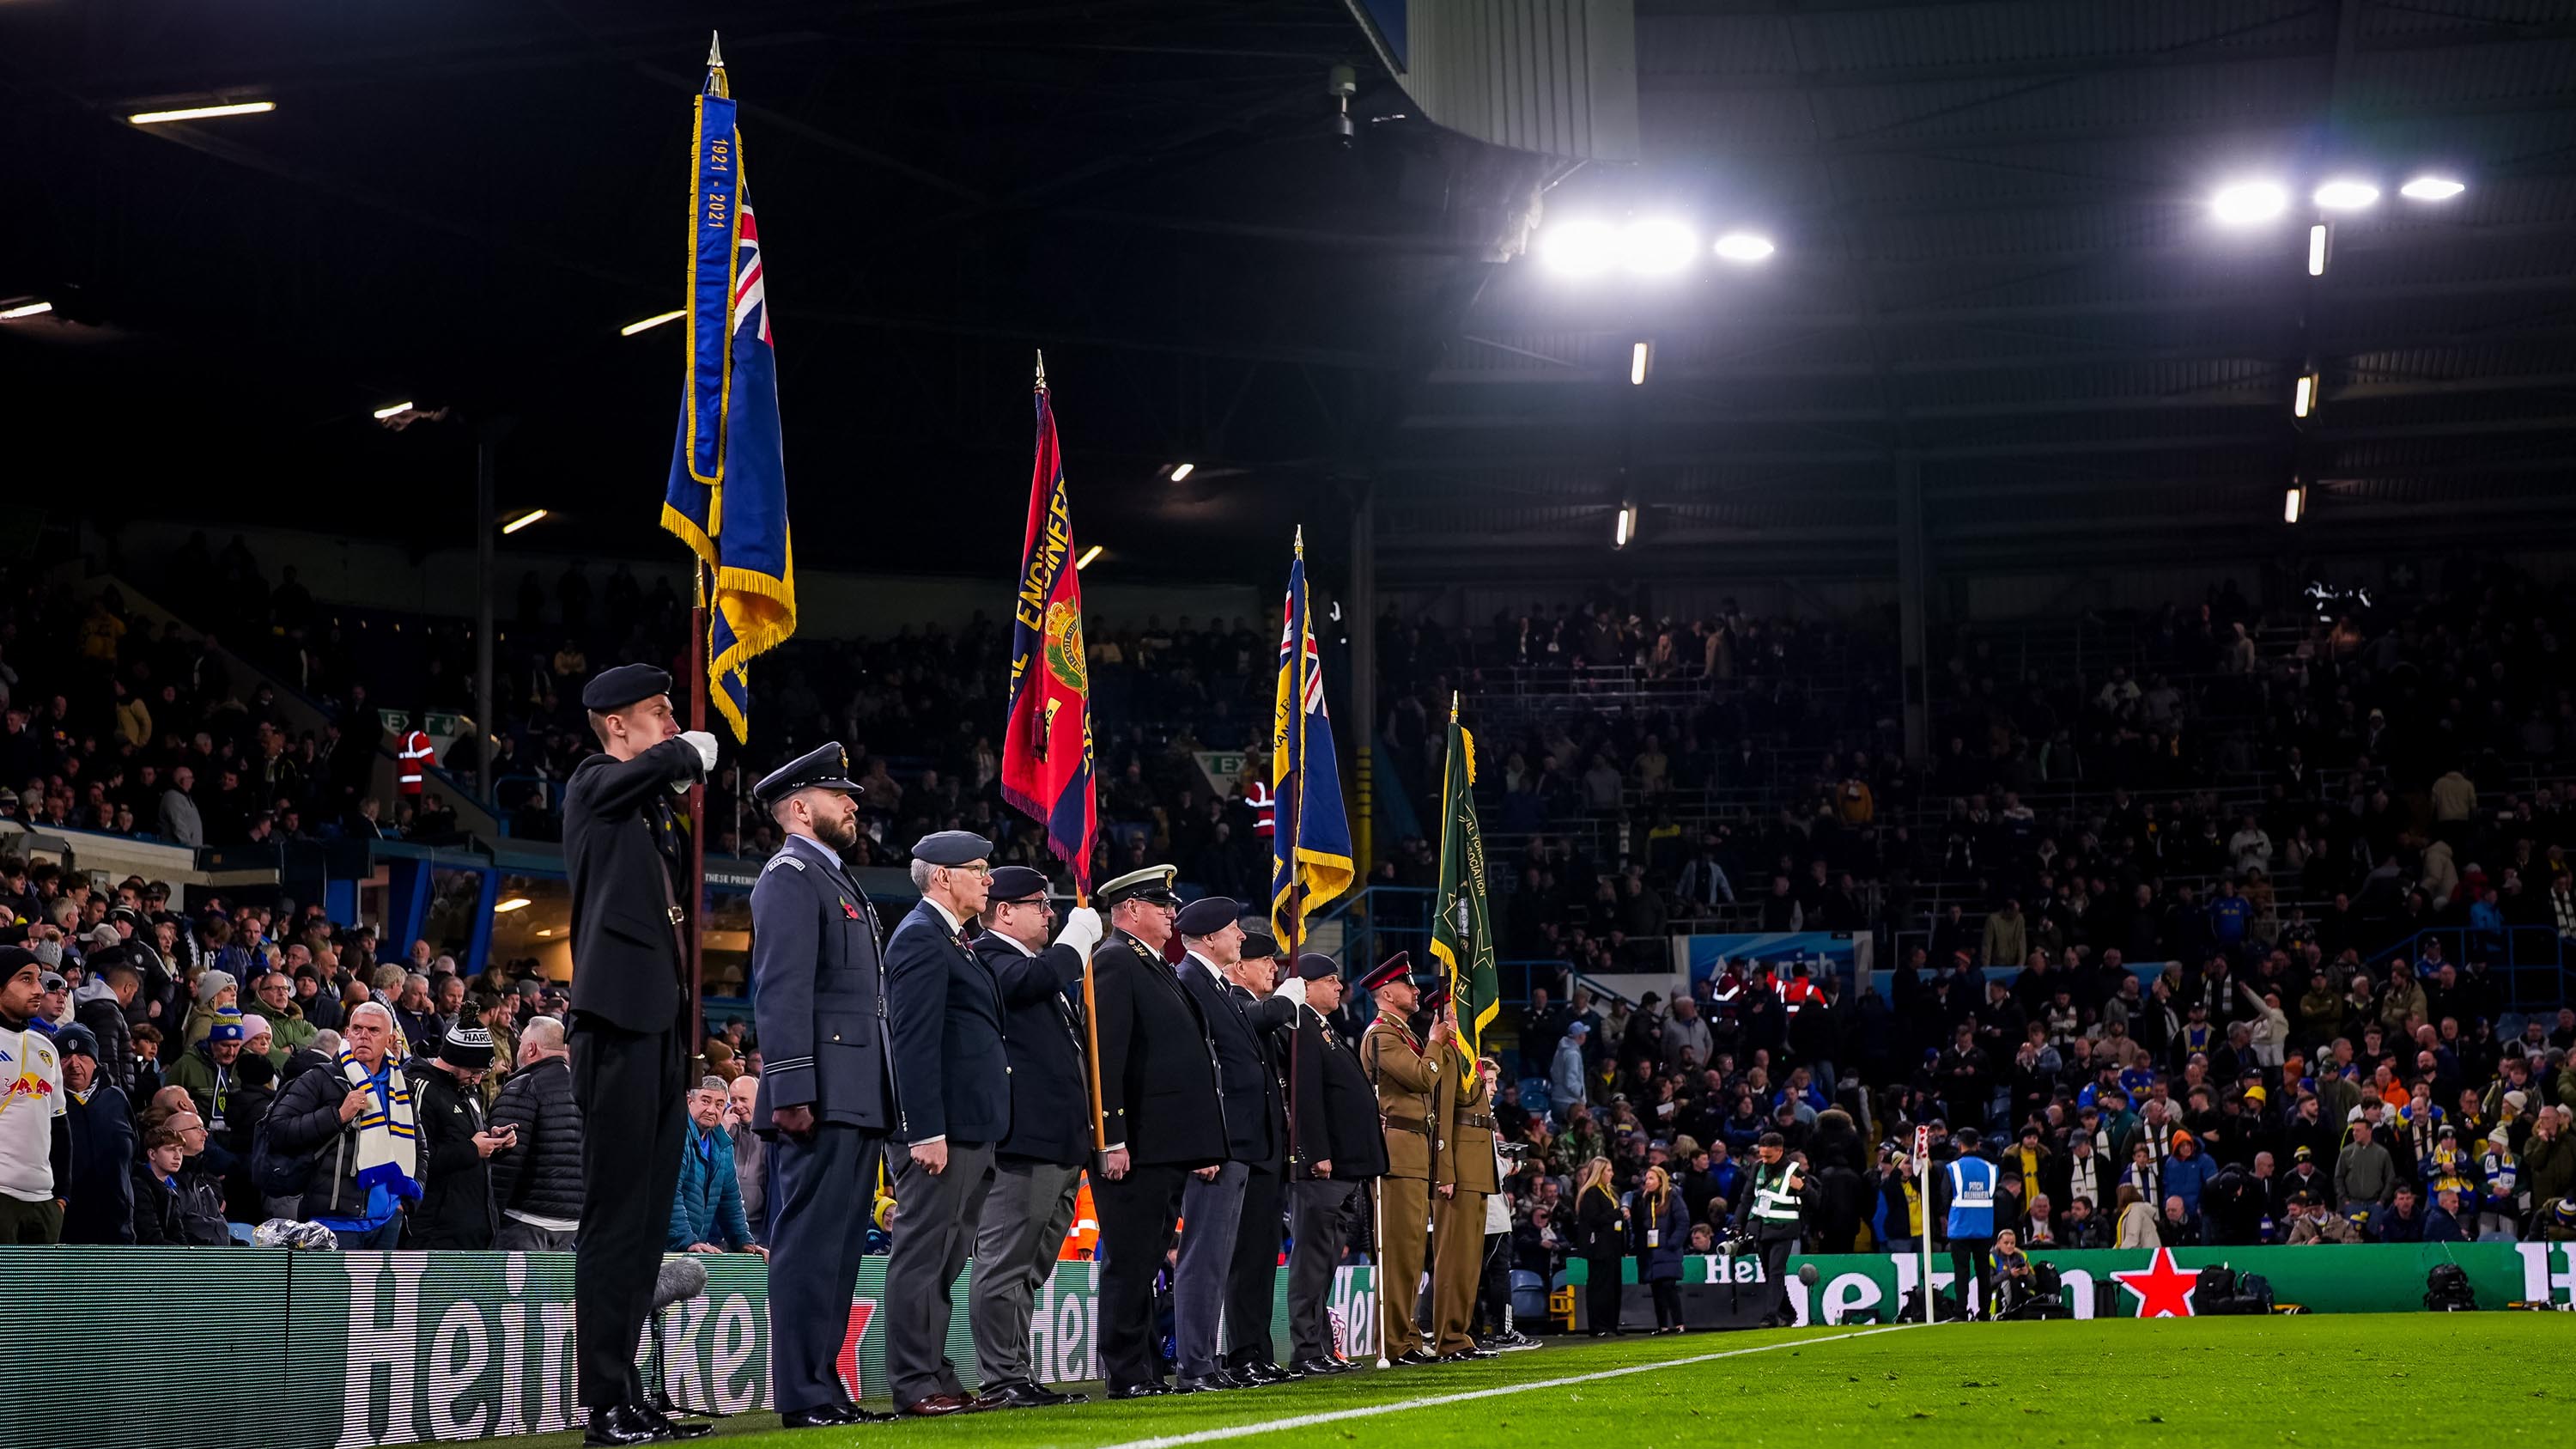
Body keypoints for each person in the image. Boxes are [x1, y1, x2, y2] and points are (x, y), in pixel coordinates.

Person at [560, 662, 717, 1449]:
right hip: (614, 1024)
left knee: (648, 1223)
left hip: (660, 1027)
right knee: (616, 1219)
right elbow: (648, 770)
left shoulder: (651, 809)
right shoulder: (593, 783)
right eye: (659, 713)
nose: (670, 723)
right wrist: (683, 752)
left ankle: (629, 1392)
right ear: (617, 724)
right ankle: (603, 1404)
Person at [746, 743, 896, 1431]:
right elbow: (782, 990)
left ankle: (823, 1382)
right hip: (820, 1097)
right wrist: (792, 1089)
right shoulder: (790, 874)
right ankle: (803, 1392)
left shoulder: (831, 876)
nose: (854, 805)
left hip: (852, 1094)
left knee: (837, 1251)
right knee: (809, 1248)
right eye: (841, 796)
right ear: (801, 808)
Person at [1087, 864, 1226, 1400]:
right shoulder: (1116, 960)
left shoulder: (1152, 965)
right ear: (1129, 911)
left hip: (1162, 1146)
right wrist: (1112, 1138)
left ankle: (1145, 1367)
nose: (1173, 913)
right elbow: (1108, 1056)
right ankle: (1126, 1373)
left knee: (1146, 1263)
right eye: (1161, 904)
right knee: (1130, 1261)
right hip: (1136, 1147)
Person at [966, 865, 1103, 1410]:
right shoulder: (991, 958)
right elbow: (1033, 982)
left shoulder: (1026, 964)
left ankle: (1015, 1372)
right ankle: (1001, 1378)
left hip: (1059, 1144)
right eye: (1040, 905)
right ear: (1004, 912)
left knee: (1029, 1268)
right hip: (1023, 1143)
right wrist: (1075, 941)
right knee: (1004, 1264)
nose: (1050, 914)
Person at [882, 829, 1007, 1418]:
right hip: (942, 1133)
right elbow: (912, 1041)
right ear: (943, 876)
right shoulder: (921, 938)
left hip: (969, 1129)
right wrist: (922, 1128)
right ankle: (913, 1379)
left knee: (946, 1260)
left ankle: (936, 1370)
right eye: (979, 868)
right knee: (923, 1256)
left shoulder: (954, 940)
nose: (988, 878)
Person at [1169, 896, 1295, 1393]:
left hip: (1239, 1144)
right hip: (1221, 1144)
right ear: (1208, 938)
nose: (1241, 937)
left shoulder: (1213, 984)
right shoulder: (1192, 982)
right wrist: (1206, 1141)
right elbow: (1200, 1070)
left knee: (1220, 1260)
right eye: (1233, 929)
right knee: (1205, 1259)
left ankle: (1206, 1361)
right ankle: (1195, 1364)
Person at [1285, 953, 1383, 1376]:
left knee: (1325, 1261)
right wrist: (1317, 1151)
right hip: (1323, 1169)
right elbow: (1305, 1096)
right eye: (1330, 980)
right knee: (1311, 1261)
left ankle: (1322, 1346)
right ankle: (1306, 1350)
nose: (1340, 987)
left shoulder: (1323, 1028)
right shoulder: (1303, 1026)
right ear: (1306, 986)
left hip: (1342, 1168)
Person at [263, 1001, 422, 1248]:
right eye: (357, 1029)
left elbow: (420, 1148)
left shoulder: (403, 1089)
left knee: (373, 1290)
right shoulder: (320, 1078)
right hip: (332, 1221)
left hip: (388, 1220)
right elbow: (279, 1128)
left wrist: (405, 1202)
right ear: (346, 1034)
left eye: (373, 1031)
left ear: (390, 1040)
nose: (363, 1036)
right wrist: (337, 1116)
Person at [1214, 931, 1299, 1386]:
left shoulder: (1261, 1013)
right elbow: (1258, 1021)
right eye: (1266, 960)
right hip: (1243, 1149)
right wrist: (1286, 1002)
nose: (1275, 968)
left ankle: (1258, 1351)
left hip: (1267, 1150)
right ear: (1239, 967)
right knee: (1247, 1258)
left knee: (1264, 1257)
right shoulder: (1235, 1004)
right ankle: (1242, 1353)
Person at [1362, 953, 1452, 1365]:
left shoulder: (1403, 1035)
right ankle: (1396, 1344)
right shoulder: (1382, 1036)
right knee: (1399, 1251)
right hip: (1396, 1153)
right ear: (1387, 993)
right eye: (1408, 986)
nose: (1417, 992)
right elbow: (1421, 1077)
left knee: (1412, 1252)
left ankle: (1407, 1337)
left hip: (1412, 1151)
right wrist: (1436, 1040)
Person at [1428, 979, 1502, 1360]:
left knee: (1470, 1261)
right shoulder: (1447, 1052)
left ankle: (1460, 1334)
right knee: (1454, 1258)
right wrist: (1446, 1171)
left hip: (1477, 1164)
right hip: (1457, 1164)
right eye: (1460, 1007)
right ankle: (1448, 1337)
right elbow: (1441, 1114)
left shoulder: (1466, 1053)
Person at [410, 1024, 508, 1249]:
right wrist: (472, 1150)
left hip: (475, 1227)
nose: (476, 1080)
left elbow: (467, 1141)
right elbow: (416, 1159)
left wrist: (494, 1142)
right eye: (473, 1072)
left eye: (482, 1073)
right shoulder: (421, 1088)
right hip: (435, 1232)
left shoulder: (467, 1089)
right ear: (453, 1059)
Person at [489, 1014, 582, 1251]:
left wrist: (490, 1215)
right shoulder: (587, 1089)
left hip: (525, 1222)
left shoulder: (525, 1086)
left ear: (531, 1049)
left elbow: (506, 1160)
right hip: (573, 1223)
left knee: (515, 1289)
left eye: (520, 1043)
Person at [0, 947, 70, 1243]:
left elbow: (59, 1125)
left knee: (37, 1292)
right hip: (3, 1196)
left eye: (39, 979)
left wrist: (62, 1198)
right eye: (26, 979)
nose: (39, 989)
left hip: (44, 1202)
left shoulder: (46, 1047)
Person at [54, 1023, 135, 1243]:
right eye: (65, 1057)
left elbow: (132, 1158)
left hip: (117, 1230)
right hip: (65, 1232)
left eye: (82, 1055)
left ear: (95, 1061)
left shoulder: (116, 1099)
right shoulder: (47, 1102)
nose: (74, 1064)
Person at [668, 1076, 757, 1255]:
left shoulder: (723, 1145)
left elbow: (730, 1200)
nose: (712, 1110)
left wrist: (743, 1242)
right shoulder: (676, 1136)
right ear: (689, 1101)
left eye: (719, 1104)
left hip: (693, 1248)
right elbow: (670, 1194)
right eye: (706, 1101)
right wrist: (686, 1240)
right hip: (665, 1250)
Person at [1735, 1131, 1806, 1327]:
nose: (1764, 1160)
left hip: (1783, 1229)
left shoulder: (1794, 1171)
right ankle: (1789, 1312)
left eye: (1768, 1156)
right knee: (1769, 1273)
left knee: (1776, 1271)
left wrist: (1802, 1188)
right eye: (1762, 1155)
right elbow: (1747, 1197)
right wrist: (1738, 1224)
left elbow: (1817, 1200)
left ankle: (1770, 1315)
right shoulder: (1757, 1167)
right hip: (1761, 1229)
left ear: (1780, 1151)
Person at [1939, 1129, 2000, 1319]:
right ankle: (1984, 1312)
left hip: (1960, 1228)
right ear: (1978, 1144)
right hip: (1984, 1227)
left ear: (1960, 1144)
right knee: (1984, 1272)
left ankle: (1960, 1311)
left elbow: (1944, 1196)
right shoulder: (1992, 1169)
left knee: (1962, 1273)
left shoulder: (1953, 1168)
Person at [1631, 1163, 1690, 1334]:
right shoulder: (1644, 1199)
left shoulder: (1673, 1197)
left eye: (1651, 1178)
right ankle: (1662, 1326)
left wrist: (1673, 1243)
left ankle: (1679, 1324)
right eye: (1646, 1179)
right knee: (1656, 1289)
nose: (1647, 1182)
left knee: (1668, 1286)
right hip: (1651, 1252)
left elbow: (1683, 1222)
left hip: (1668, 1250)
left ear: (1660, 1180)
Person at [1575, 1155, 1628, 1335]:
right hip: (1599, 1248)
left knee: (1613, 1287)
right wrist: (1616, 1214)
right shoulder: (1591, 1192)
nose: (1611, 1174)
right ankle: (1598, 1326)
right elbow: (1593, 1219)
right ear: (1599, 1172)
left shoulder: (1611, 1192)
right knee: (1599, 1287)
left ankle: (1611, 1324)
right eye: (1608, 1170)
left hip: (1614, 1247)